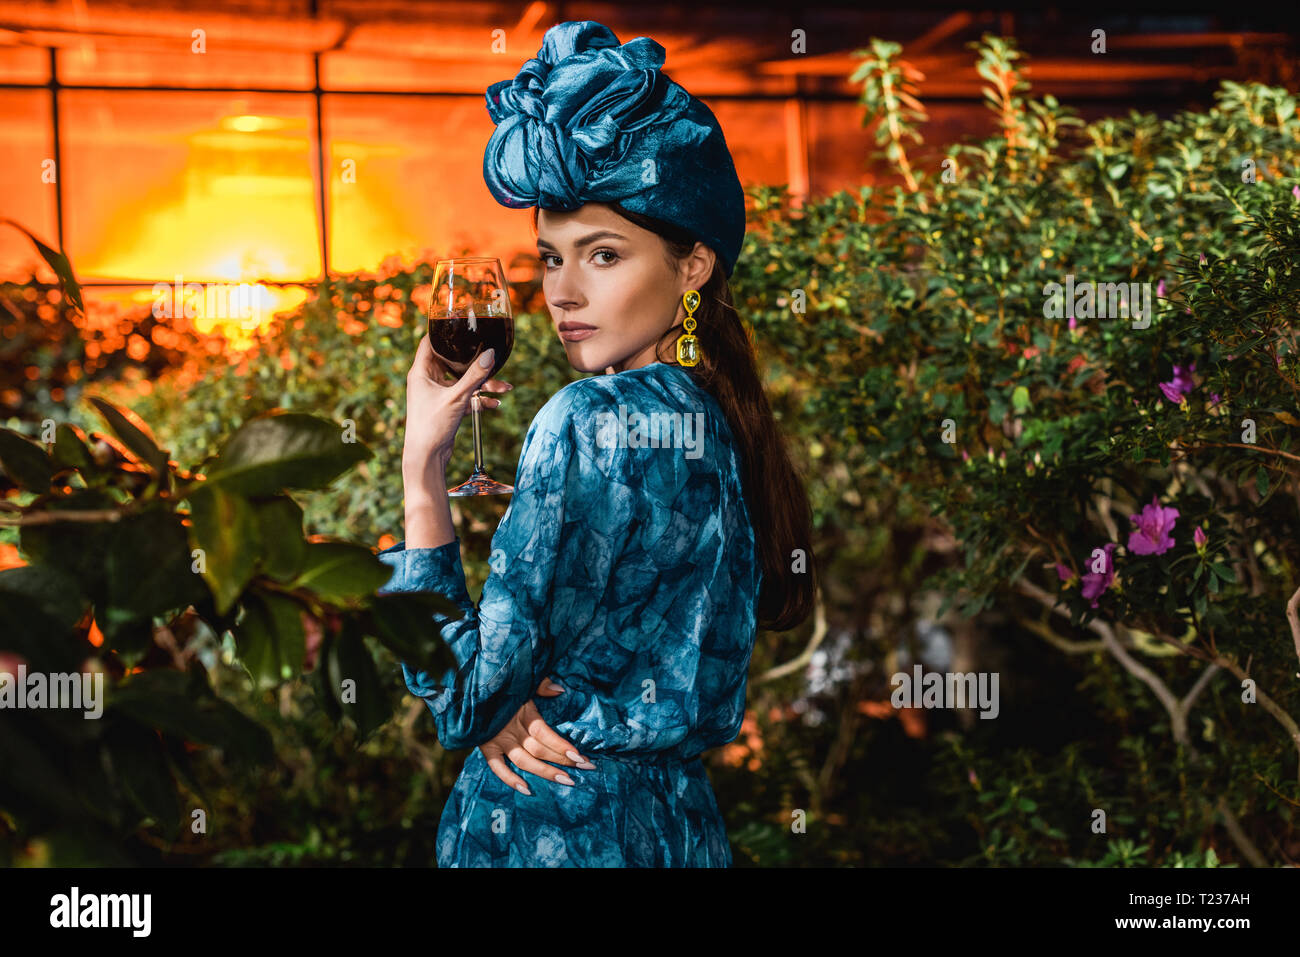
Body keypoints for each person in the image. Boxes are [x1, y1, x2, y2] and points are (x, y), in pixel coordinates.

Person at [377, 19, 816, 867]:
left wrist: (420, 469)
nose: (564, 293)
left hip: (551, 828)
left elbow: (460, 700)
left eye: (604, 255)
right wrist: (518, 693)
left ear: (692, 267)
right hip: (678, 826)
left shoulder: (584, 417)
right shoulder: (721, 426)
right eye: (549, 259)